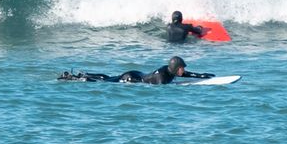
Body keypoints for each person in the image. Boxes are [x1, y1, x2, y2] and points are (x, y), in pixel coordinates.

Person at [58, 56, 213, 85]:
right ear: (175, 69)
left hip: (137, 73)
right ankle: (78, 78)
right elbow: (158, 88)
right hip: (132, 79)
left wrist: (201, 75)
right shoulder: (163, 79)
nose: (184, 70)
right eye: (182, 68)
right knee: (106, 81)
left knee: (108, 77)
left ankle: (83, 74)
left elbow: (186, 74)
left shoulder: (169, 70)